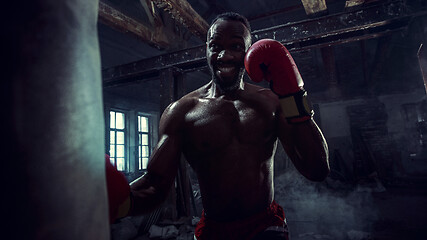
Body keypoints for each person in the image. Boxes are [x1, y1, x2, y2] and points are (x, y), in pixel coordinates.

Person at [107, 12, 329, 240]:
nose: (225, 55)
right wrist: (117, 201)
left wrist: (294, 95)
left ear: (249, 50)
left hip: (265, 226)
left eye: (235, 45)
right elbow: (155, 185)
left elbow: (317, 169)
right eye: (215, 46)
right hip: (214, 230)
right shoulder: (182, 112)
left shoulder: (272, 102)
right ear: (206, 49)